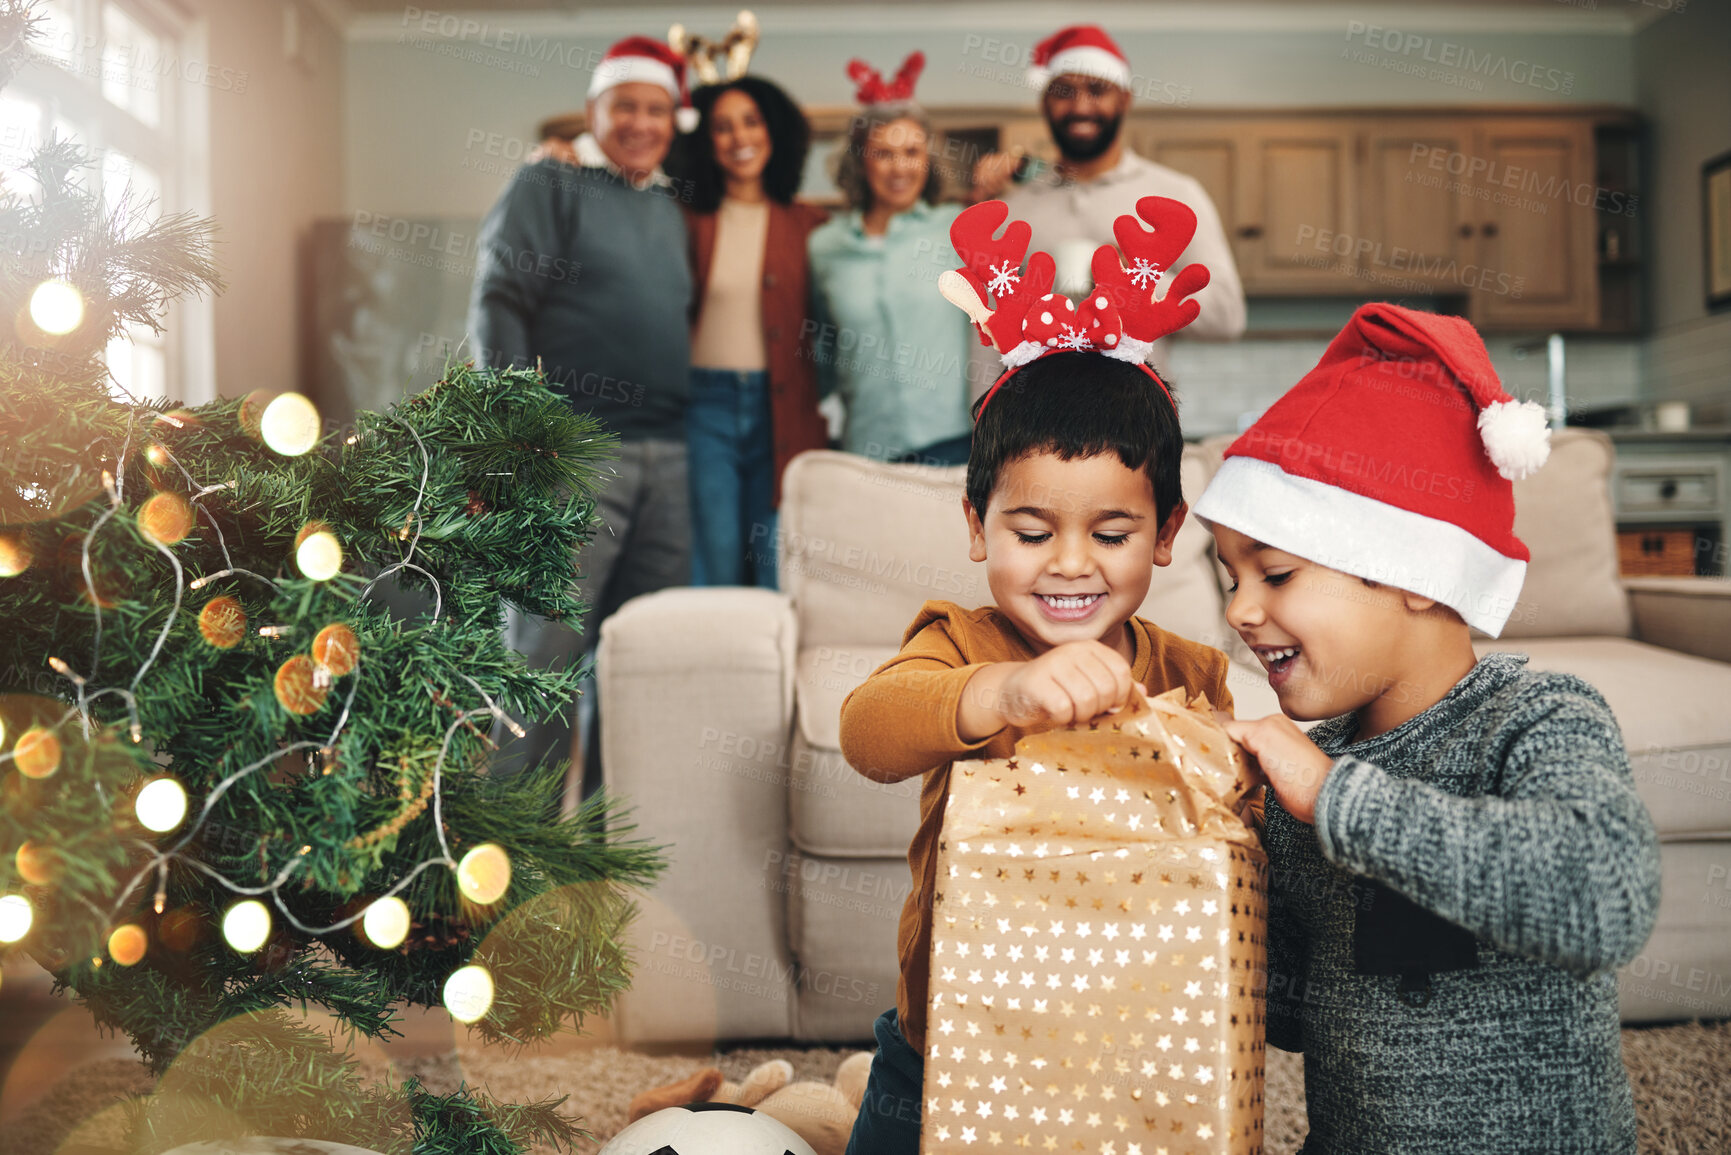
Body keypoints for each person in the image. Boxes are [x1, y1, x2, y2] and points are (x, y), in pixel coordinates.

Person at [1192, 302, 1662, 1152]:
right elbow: (1292, 1014)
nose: (1239, 608)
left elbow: (1604, 899)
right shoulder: (1308, 776)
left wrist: (1335, 799)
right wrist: (1216, 873)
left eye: (1277, 571)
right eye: (1228, 575)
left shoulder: (1536, 719)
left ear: (1415, 572)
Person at [834, 199, 1235, 1155]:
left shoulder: (1190, 672)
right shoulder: (962, 642)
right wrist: (999, 696)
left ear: (1167, 535)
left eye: (1110, 533)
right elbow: (867, 731)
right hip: (940, 1042)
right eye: (1029, 530)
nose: (1069, 563)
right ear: (976, 528)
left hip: (1126, 1043)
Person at [468, 36, 694, 799]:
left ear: (673, 119)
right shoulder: (549, 183)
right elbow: (499, 303)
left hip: (673, 458)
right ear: (594, 110)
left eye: (655, 108)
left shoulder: (669, 206)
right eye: (623, 105)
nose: (639, 122)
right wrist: (518, 437)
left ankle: (597, 866)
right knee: (541, 665)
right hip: (575, 454)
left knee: (637, 675)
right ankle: (509, 862)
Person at [972, 24, 1246, 367]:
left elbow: (1227, 317)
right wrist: (982, 416)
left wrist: (1136, 276)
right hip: (1030, 416)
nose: (1081, 106)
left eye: (1097, 89)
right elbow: (985, 327)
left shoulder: (1177, 194)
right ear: (1044, 102)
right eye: (1063, 91)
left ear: (1125, 99)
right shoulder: (1014, 206)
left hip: (1141, 416)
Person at [680, 76, 828, 588]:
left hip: (786, 413)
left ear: (774, 131)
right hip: (705, 410)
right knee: (712, 566)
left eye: (750, 121)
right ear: (704, 139)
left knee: (779, 568)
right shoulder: (683, 218)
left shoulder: (812, 225)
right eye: (722, 126)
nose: (738, 136)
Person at [807, 55, 976, 466]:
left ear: (927, 159)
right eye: (883, 153)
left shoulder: (959, 230)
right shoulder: (824, 246)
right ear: (861, 162)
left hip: (954, 441)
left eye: (911, 151)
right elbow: (821, 348)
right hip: (866, 444)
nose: (899, 167)